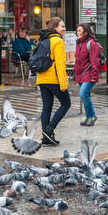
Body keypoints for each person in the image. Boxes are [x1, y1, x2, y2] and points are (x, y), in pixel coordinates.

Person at [36, 17, 71, 146]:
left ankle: (46, 138)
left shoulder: (44, 40)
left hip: (41, 78)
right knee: (66, 103)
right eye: (62, 26)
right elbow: (60, 65)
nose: (64, 29)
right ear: (55, 28)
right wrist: (63, 84)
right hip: (53, 79)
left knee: (46, 107)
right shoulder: (58, 41)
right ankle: (49, 129)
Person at [73, 23, 99, 127]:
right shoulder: (78, 43)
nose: (78, 33)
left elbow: (95, 61)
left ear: (86, 33)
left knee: (83, 94)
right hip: (80, 74)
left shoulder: (91, 44)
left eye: (80, 31)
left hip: (88, 74)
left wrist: (94, 75)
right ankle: (88, 117)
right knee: (84, 96)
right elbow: (77, 60)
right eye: (77, 31)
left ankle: (92, 115)